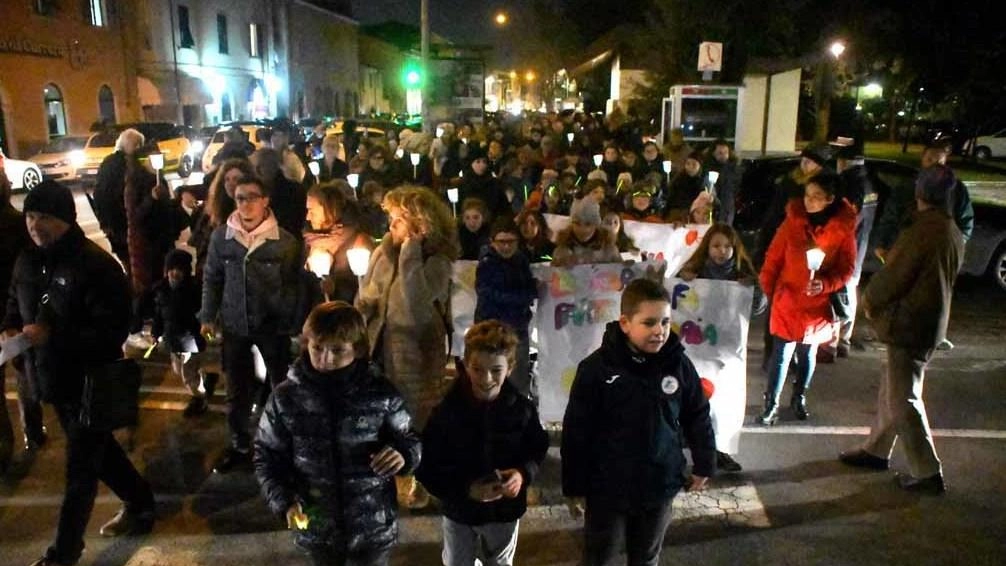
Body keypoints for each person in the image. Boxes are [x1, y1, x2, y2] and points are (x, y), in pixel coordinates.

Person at [4, 181, 156, 566]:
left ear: (66, 220)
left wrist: (53, 336)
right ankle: (141, 503)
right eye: (31, 217)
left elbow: (112, 331)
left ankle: (65, 552)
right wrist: (9, 325)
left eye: (46, 218)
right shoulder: (28, 259)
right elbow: (14, 300)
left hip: (90, 381)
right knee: (100, 455)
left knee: (80, 471)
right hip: (50, 378)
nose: (37, 225)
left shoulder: (97, 266)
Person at [561, 277, 715, 566]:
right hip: (608, 488)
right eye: (649, 323)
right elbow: (576, 432)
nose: (660, 331)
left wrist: (704, 461)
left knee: (645, 558)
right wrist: (574, 485)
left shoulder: (679, 365)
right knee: (599, 557)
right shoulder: (596, 369)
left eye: (666, 322)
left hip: (658, 484)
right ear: (625, 323)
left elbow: (697, 414)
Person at [255, 301, 421, 566]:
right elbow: (267, 454)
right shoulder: (286, 398)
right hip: (316, 523)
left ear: (357, 349)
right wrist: (283, 500)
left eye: (337, 350)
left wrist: (403, 454)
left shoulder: (379, 392)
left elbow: (410, 438)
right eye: (317, 348)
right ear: (306, 344)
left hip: (373, 526)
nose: (326, 359)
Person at [838, 165, 964, 495]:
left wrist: (871, 300)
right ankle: (876, 450)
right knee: (894, 390)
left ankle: (927, 471)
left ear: (921, 191)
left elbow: (895, 275)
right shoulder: (949, 229)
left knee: (903, 397)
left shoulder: (923, 230)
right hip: (927, 321)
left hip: (910, 323)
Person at [355, 185, 459, 508]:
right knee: (381, 416)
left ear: (419, 224)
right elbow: (367, 297)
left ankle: (418, 477)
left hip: (417, 355)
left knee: (413, 418)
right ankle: (391, 478)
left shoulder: (437, 262)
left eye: (398, 221)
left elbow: (416, 307)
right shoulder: (383, 252)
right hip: (380, 349)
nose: (390, 228)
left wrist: (410, 252)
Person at [416, 320, 549, 566]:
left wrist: (522, 474)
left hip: (504, 513)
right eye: (477, 369)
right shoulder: (446, 412)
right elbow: (427, 466)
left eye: (496, 370)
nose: (486, 378)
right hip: (460, 512)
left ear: (510, 368)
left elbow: (537, 447)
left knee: (499, 562)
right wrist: (465, 489)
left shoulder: (521, 410)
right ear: (465, 365)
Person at [200, 175, 302, 474]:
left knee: (280, 384)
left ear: (265, 200)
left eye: (252, 197)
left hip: (272, 326)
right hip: (235, 325)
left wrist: (290, 319)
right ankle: (240, 444)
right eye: (240, 198)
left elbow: (294, 284)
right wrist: (207, 315)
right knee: (236, 388)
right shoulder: (223, 237)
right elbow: (212, 278)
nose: (245, 204)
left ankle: (284, 443)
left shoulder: (284, 241)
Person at [758, 172, 856, 425]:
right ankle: (771, 403)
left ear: (830, 200)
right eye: (807, 195)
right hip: (788, 299)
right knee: (781, 355)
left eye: (816, 197)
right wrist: (770, 290)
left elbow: (846, 268)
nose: (809, 201)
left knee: (807, 353)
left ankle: (799, 396)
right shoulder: (793, 222)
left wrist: (825, 284)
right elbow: (773, 257)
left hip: (817, 304)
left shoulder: (842, 230)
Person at [678, 223, 766, 473]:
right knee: (694, 398)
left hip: (727, 351)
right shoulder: (693, 272)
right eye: (716, 245)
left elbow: (759, 308)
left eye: (727, 246)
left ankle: (719, 449)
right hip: (697, 348)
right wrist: (682, 279)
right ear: (707, 247)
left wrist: (754, 289)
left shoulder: (741, 274)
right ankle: (685, 442)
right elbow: (674, 300)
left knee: (723, 401)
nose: (721, 251)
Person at [0, 169, 45, 473]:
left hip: (13, 311)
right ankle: (33, 429)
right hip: (18, 312)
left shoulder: (17, 223)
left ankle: (4, 446)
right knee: (25, 373)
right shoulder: (19, 224)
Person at [139, 249, 216, 417]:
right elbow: (160, 315)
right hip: (172, 339)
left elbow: (202, 313)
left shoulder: (193, 290)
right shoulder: (162, 290)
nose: (175, 273)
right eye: (172, 269)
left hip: (190, 339)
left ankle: (199, 398)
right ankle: (205, 379)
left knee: (187, 374)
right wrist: (155, 332)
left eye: (179, 269)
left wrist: (204, 328)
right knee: (177, 368)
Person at [823, 144, 878, 360]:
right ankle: (843, 340)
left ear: (844, 162)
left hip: (846, 249)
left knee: (839, 294)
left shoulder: (850, 185)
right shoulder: (869, 183)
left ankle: (832, 344)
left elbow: (848, 221)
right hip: (859, 246)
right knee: (848, 292)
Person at [474, 218, 539, 399]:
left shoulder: (521, 261)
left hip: (518, 329)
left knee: (518, 380)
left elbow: (530, 288)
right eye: (501, 242)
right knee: (491, 380)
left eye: (511, 242)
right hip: (493, 332)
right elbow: (491, 294)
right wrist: (522, 297)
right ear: (493, 242)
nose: (506, 247)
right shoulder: (487, 264)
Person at [303, 183, 375, 305]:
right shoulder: (309, 241)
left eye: (312, 210)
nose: (308, 217)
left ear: (329, 208)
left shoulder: (358, 241)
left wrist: (335, 286)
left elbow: (368, 285)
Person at [93, 128, 144, 269]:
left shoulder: (109, 162)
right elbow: (105, 195)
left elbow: (98, 193)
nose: (139, 149)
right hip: (120, 222)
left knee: (129, 262)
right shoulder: (123, 165)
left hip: (114, 223)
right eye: (137, 145)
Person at [551, 198, 621, 267]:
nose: (582, 229)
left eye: (588, 224)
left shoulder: (609, 250)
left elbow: (621, 273)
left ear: (596, 225)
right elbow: (553, 276)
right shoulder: (562, 251)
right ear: (571, 224)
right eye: (577, 223)